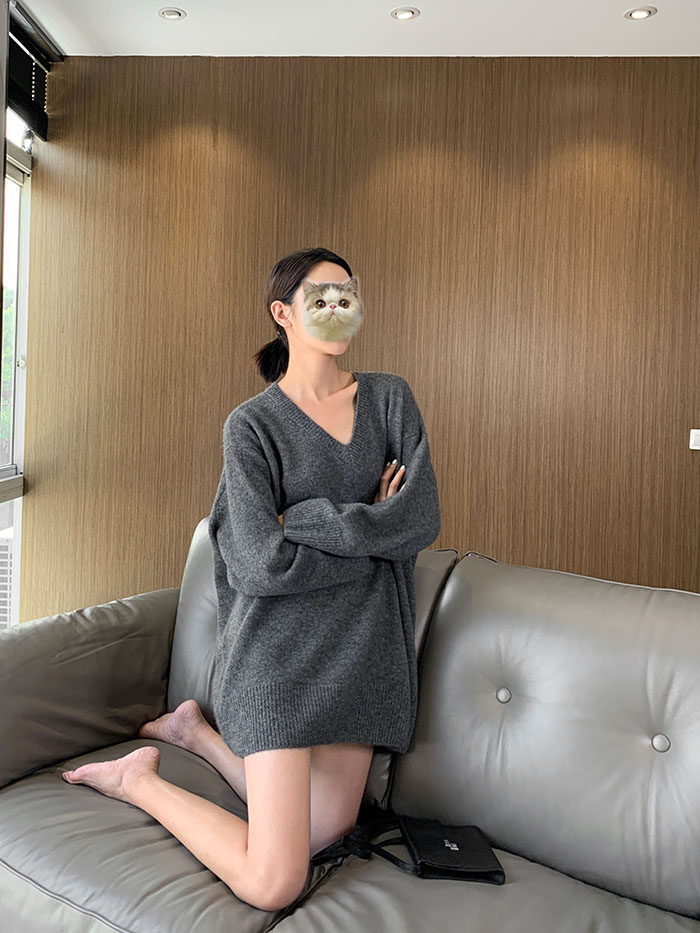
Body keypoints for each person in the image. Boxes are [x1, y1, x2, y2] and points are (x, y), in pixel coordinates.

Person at [60, 246, 441, 912]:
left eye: (347, 294)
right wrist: (372, 533)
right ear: (282, 314)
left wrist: (306, 519)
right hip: (278, 656)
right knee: (275, 880)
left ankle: (194, 734)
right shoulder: (252, 426)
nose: (337, 307)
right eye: (319, 297)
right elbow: (261, 564)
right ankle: (137, 780)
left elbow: (420, 518)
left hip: (363, 653)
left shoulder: (390, 399)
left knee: (326, 832)